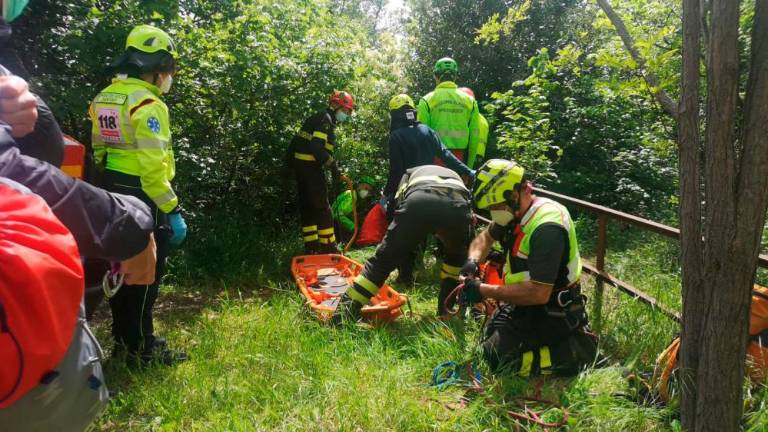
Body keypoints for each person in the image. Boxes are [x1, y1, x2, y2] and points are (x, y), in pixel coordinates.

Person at [89, 24, 187, 366]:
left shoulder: (107, 96)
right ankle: (142, 350)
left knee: (120, 269)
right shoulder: (149, 103)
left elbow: (98, 148)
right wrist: (171, 209)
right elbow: (152, 166)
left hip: (111, 188)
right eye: (169, 69)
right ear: (158, 67)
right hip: (144, 195)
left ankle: (124, 339)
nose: (169, 77)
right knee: (147, 274)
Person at [459, 159, 598, 376]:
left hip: (553, 312)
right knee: (490, 339)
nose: (494, 212)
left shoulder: (546, 228)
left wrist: (482, 290)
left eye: (496, 207)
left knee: (495, 359)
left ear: (517, 193)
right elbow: (484, 238)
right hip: (525, 306)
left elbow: (538, 292)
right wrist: (472, 262)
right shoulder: (513, 212)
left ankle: (575, 353)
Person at [331, 165, 472, 324]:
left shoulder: (409, 173)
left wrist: (399, 244)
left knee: (382, 262)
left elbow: (397, 209)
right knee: (454, 263)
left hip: (420, 201)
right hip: (458, 207)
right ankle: (446, 313)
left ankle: (342, 316)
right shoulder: (453, 175)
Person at [385, 93, 474, 283]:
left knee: (405, 230)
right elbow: (446, 155)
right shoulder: (426, 130)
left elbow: (396, 171)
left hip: (410, 188)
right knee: (425, 227)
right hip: (434, 186)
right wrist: (469, 172)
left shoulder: (396, 136)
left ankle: (406, 275)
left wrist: (387, 195)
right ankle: (422, 266)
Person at [286, 90, 355, 254]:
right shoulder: (326, 119)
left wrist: (288, 167)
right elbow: (316, 147)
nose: (346, 115)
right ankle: (328, 248)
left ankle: (311, 247)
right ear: (336, 105)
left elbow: (295, 142)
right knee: (323, 208)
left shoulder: (317, 117)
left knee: (308, 208)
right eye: (345, 111)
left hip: (301, 169)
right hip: (311, 169)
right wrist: (333, 165)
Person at [417, 57, 480, 164]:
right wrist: (468, 167)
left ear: (436, 76)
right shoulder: (470, 101)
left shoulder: (426, 100)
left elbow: (422, 138)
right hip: (460, 161)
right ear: (455, 76)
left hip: (434, 160)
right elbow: (475, 137)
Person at [332, 175, 375, 244]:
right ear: (359, 186)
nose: (366, 192)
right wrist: (353, 228)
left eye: (369, 190)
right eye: (366, 188)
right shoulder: (351, 195)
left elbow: (348, 214)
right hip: (333, 224)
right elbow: (339, 215)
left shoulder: (356, 198)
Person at [457, 87, 488, 170]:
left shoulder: (467, 117)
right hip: (480, 158)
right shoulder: (483, 119)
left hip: (467, 156)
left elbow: (471, 140)